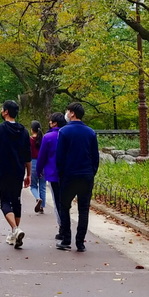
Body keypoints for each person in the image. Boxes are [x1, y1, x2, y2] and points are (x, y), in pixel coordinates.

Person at [55, 102, 99, 252]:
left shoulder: (64, 132)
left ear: (72, 113)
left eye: (68, 111)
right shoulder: (90, 132)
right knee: (83, 209)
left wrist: (61, 173)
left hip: (69, 174)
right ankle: (80, 242)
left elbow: (59, 157)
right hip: (86, 174)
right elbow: (95, 157)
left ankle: (66, 239)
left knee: (64, 206)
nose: (66, 114)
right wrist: (92, 172)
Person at [0, 100, 31, 249]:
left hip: (3, 172)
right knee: (16, 201)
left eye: (2, 109)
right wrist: (29, 174)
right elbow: (27, 155)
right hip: (19, 171)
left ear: (6, 111)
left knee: (5, 203)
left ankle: (15, 230)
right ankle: (15, 235)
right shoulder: (24, 131)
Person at [36, 112, 67, 239]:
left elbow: (42, 156)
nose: (49, 123)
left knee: (58, 202)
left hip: (53, 174)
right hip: (68, 173)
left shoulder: (48, 137)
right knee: (66, 201)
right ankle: (67, 228)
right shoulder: (67, 135)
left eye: (50, 121)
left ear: (54, 123)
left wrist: (38, 170)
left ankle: (63, 228)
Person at [29, 120, 46, 213]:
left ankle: (37, 198)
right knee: (43, 186)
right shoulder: (44, 139)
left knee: (33, 186)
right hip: (44, 163)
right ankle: (42, 207)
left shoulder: (30, 140)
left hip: (33, 163)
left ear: (32, 130)